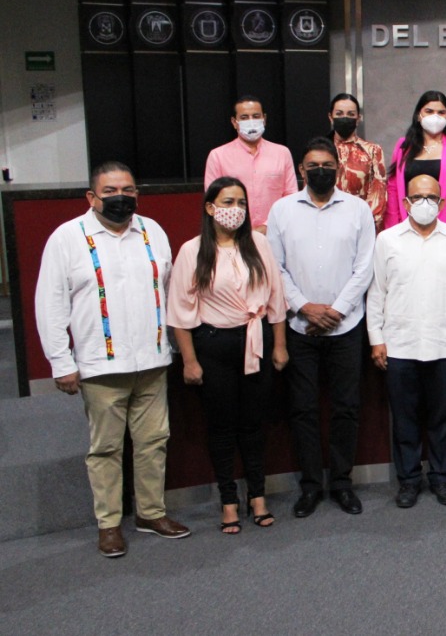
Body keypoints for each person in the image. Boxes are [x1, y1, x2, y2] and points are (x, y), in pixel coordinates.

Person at [35, 162, 190, 557]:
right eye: (110, 191)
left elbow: (170, 290)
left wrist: (178, 347)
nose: (121, 197)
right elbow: (50, 304)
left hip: (152, 361)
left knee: (153, 442)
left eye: (128, 190)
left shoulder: (152, 231)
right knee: (105, 449)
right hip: (100, 366)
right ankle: (108, 524)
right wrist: (61, 362)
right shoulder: (68, 238)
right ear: (92, 197)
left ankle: (151, 513)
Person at [169, 176, 289, 535]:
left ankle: (258, 496)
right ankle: (228, 500)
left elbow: (276, 298)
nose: (235, 210)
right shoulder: (192, 250)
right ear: (210, 208)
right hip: (213, 345)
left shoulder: (258, 244)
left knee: (254, 424)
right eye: (227, 202)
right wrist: (190, 361)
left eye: (241, 203)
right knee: (221, 426)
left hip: (256, 341)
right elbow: (180, 310)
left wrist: (279, 345)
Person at [266, 138, 376, 518]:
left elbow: (365, 267)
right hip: (300, 328)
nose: (321, 171)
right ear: (301, 170)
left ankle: (342, 483)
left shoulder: (358, 209)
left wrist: (336, 311)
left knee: (347, 408)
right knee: (303, 410)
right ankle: (311, 486)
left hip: (347, 327)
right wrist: (305, 307)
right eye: (313, 165)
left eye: (328, 165)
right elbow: (276, 268)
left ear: (338, 169)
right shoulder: (281, 211)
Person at [368, 174, 446, 508]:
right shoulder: (387, 240)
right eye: (417, 197)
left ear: (442, 203)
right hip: (399, 344)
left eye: (431, 197)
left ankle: (442, 478)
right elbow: (377, 292)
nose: (424, 203)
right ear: (405, 203)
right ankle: (409, 481)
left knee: (443, 418)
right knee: (405, 419)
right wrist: (376, 339)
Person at [204, 95, 297, 232]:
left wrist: (266, 227)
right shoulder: (218, 156)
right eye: (244, 117)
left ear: (264, 119)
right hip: (234, 235)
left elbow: (291, 198)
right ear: (234, 122)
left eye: (256, 116)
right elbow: (214, 200)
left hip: (275, 232)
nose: (251, 121)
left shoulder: (282, 153)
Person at [385, 90, 446, 231]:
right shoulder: (403, 146)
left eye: (441, 112)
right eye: (429, 111)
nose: (435, 116)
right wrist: (393, 227)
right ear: (418, 115)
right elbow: (393, 188)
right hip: (406, 226)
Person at [328, 92, 388, 230]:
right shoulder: (320, 150)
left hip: (361, 226)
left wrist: (365, 225)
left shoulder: (373, 151)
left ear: (358, 118)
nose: (345, 118)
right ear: (330, 117)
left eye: (351, 114)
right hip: (326, 224)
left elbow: (378, 193)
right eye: (339, 114)